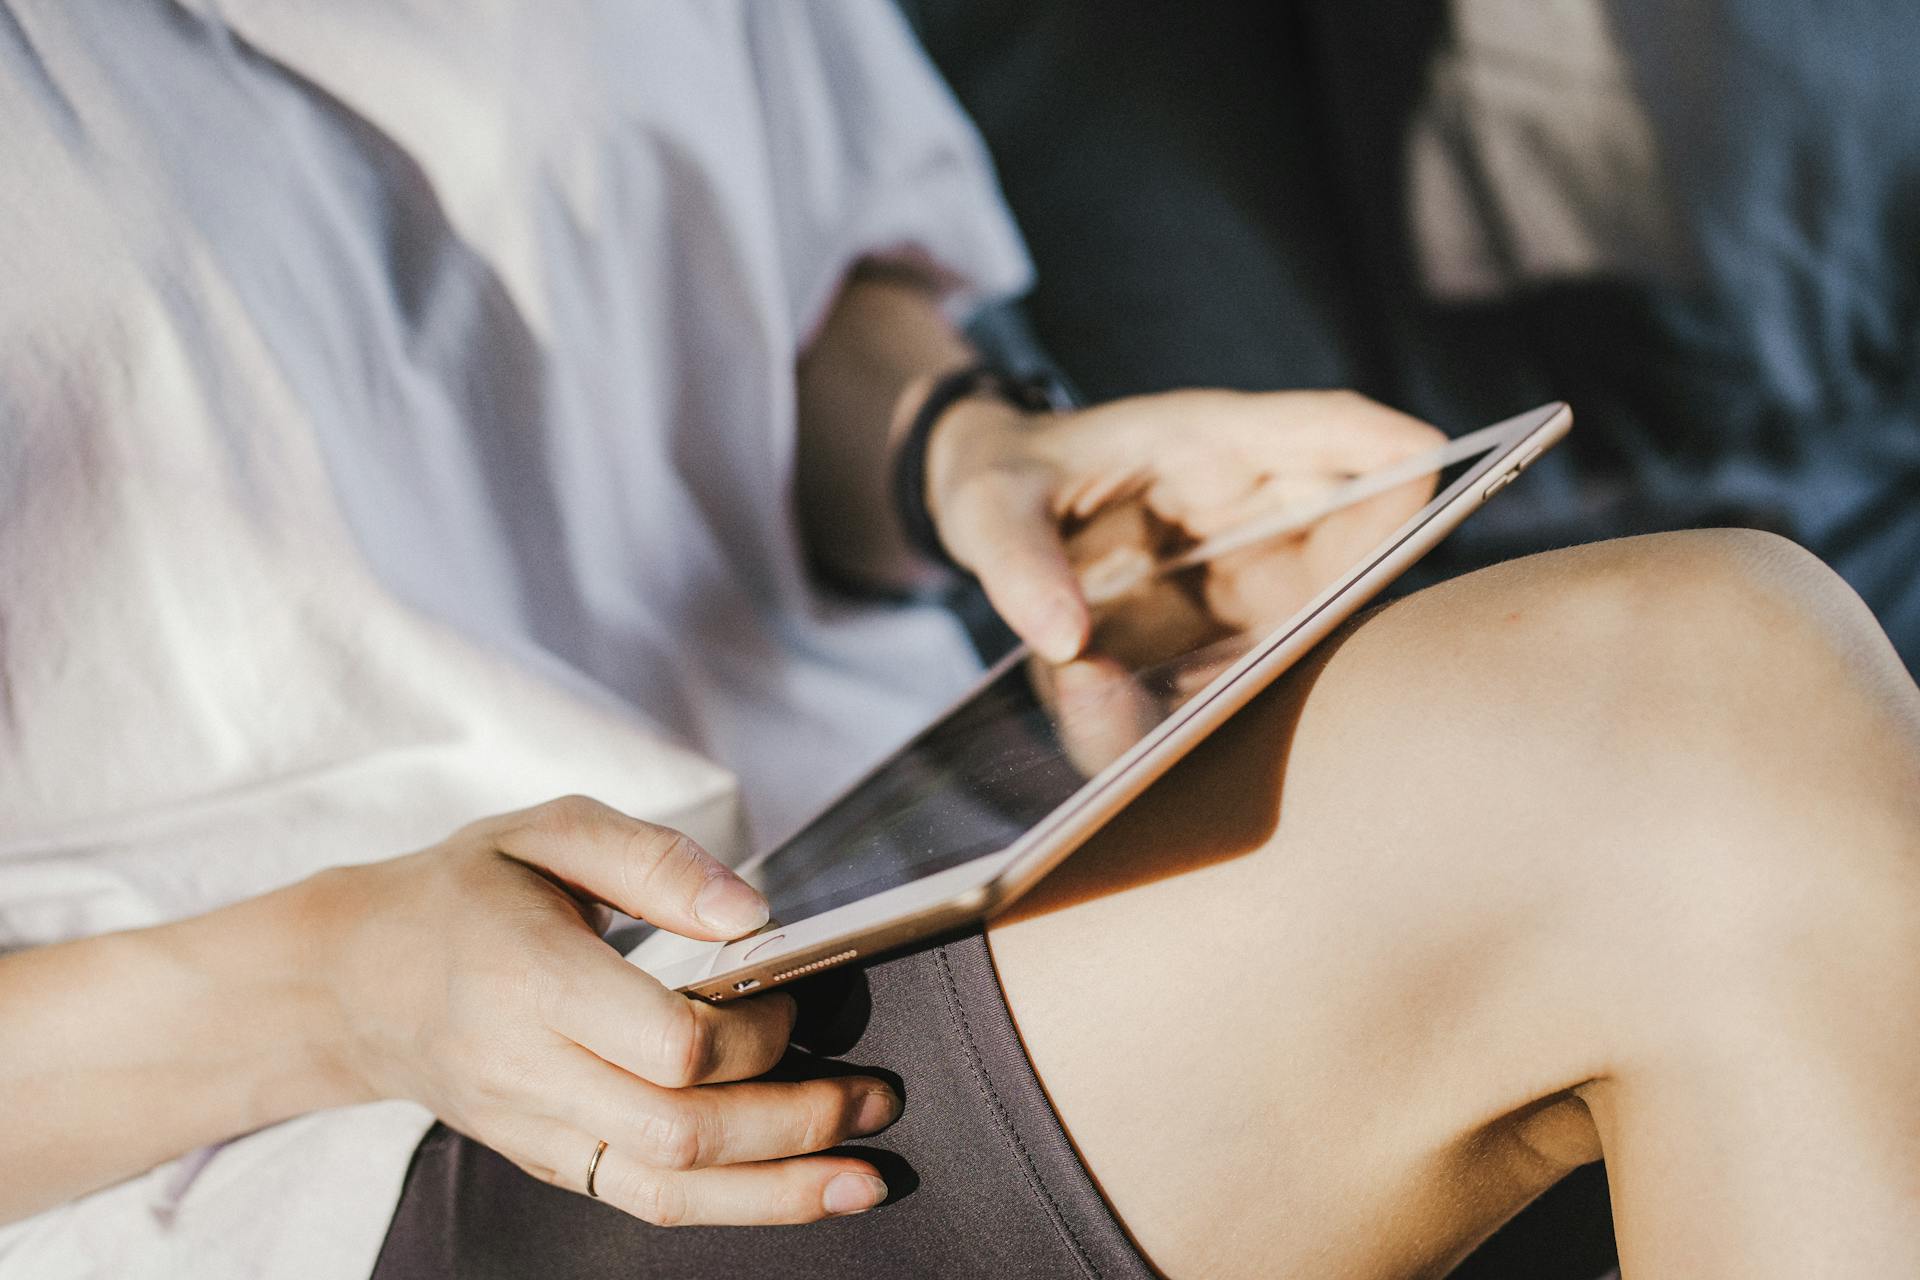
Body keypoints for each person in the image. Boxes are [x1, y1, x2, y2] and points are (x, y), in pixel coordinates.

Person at [0, 6, 1915, 1280]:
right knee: (1688, 726)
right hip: (329, 1148)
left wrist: (968, 459)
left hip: (866, 841)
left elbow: (761, 287)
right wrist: (320, 990)